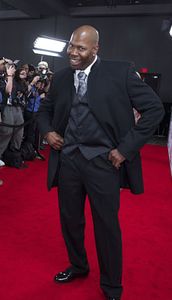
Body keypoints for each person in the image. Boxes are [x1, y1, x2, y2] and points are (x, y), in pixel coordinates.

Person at [36, 25, 164, 300]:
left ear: (95, 49)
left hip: (103, 163)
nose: (73, 52)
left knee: (106, 225)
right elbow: (44, 111)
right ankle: (78, 266)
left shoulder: (120, 72)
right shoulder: (60, 78)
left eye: (80, 48)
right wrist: (48, 132)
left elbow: (155, 109)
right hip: (68, 160)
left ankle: (111, 286)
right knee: (70, 220)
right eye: (71, 45)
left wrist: (125, 149)